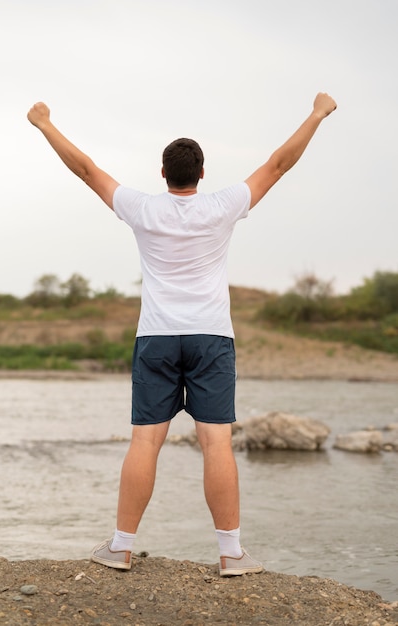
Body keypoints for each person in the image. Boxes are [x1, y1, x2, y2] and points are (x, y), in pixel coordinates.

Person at [27, 92, 337, 576]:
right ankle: (231, 554)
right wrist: (316, 114)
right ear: (202, 173)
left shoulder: (143, 208)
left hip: (157, 337)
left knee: (144, 443)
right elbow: (278, 164)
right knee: (217, 444)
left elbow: (86, 170)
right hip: (211, 337)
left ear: (163, 173)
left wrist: (45, 124)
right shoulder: (222, 205)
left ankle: (121, 548)